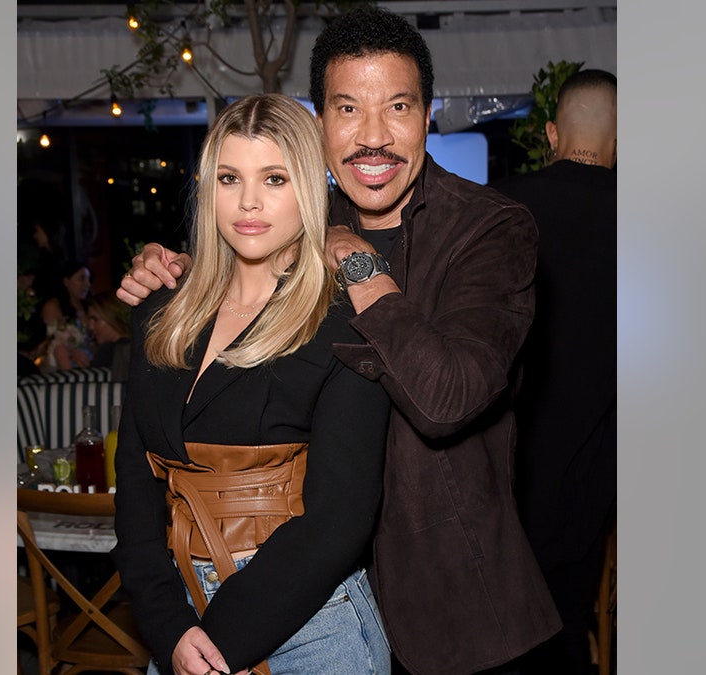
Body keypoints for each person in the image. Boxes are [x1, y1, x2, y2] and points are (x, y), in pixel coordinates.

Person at [116, 8, 561, 674]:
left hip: (442, 600)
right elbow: (246, 249)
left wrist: (352, 256)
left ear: (429, 115)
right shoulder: (298, 212)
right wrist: (179, 273)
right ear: (319, 123)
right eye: (348, 108)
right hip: (288, 585)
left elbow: (446, 399)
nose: (373, 137)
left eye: (398, 107)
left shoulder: (489, 230)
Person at [110, 93, 392, 675]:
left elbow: (341, 517)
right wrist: (169, 629)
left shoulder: (344, 320)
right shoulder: (161, 308)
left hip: (312, 624)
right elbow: (137, 482)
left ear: (310, 188)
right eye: (230, 177)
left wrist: (219, 643)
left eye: (275, 178)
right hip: (180, 620)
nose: (249, 202)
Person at [490, 68, 617, 675]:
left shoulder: (505, 208)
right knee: (569, 628)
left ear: (549, 133)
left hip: (504, 468)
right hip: (597, 473)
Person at [40, 259, 93, 372]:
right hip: (60, 361)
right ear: (66, 281)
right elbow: (50, 341)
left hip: (87, 359)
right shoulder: (53, 306)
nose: (87, 284)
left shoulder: (90, 307)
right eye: (81, 279)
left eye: (88, 279)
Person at [82, 292, 132, 381]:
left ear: (110, 317)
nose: (90, 326)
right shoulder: (135, 346)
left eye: (95, 319)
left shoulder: (108, 350)